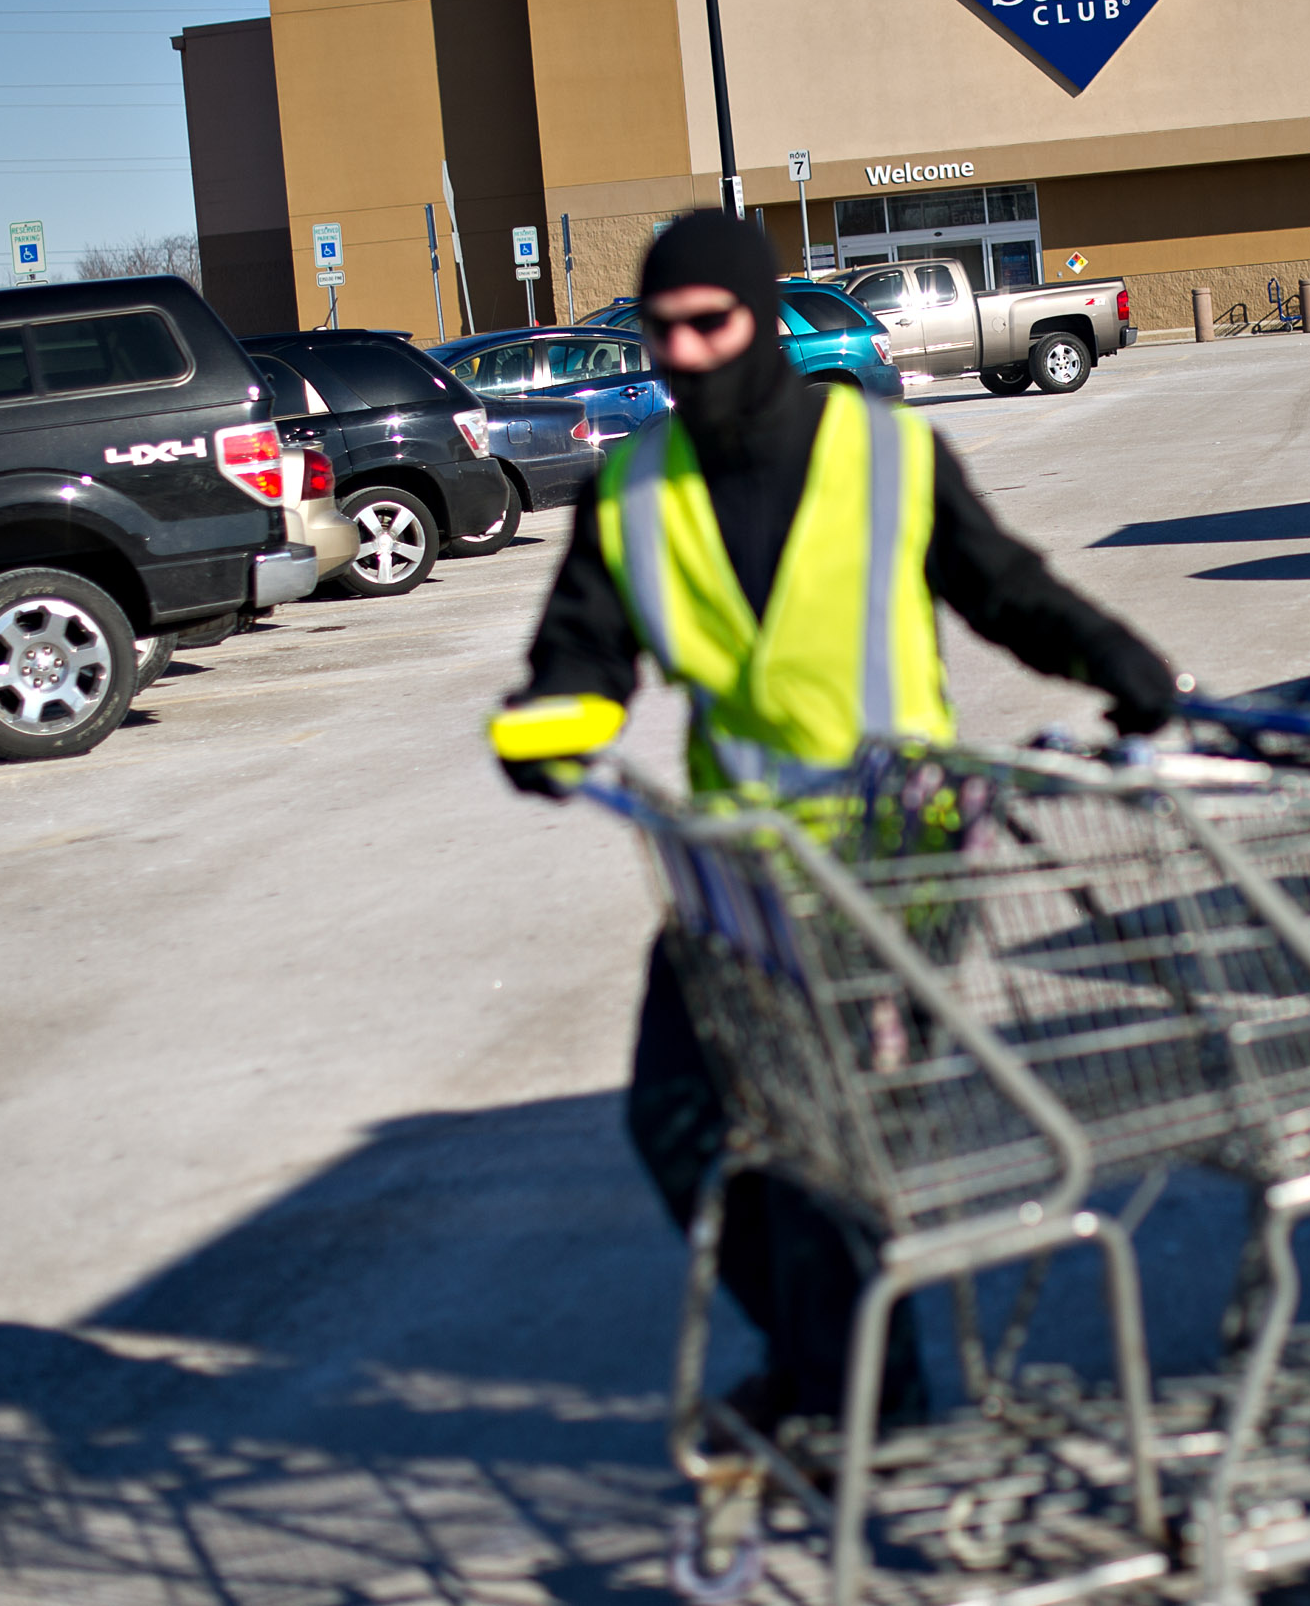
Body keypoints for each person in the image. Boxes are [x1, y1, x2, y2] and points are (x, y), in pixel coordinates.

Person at [488, 211, 1181, 1428]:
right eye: (663, 333)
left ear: (762, 321)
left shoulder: (884, 452)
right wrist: (553, 721)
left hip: (892, 857)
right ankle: (834, 1376)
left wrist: (1122, 661)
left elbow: (1001, 586)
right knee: (677, 1119)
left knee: (831, 1149)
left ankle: (868, 1405)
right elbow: (585, 651)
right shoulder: (637, 483)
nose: (688, 353)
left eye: (713, 324)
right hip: (734, 871)